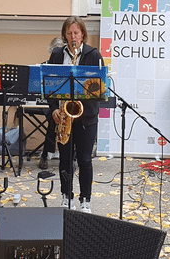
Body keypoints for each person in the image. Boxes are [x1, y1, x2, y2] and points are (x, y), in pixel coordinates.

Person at [47, 16, 103, 213]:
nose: (73, 37)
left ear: (82, 34)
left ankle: (85, 199)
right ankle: (66, 196)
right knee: (65, 159)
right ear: (64, 35)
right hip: (63, 115)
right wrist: (54, 108)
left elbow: (99, 89)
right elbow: (49, 87)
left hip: (86, 116)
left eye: (76, 33)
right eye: (69, 33)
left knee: (85, 159)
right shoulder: (56, 55)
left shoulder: (93, 55)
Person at [38, 37, 64, 170]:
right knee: (54, 119)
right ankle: (46, 154)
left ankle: (46, 154)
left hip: (64, 104)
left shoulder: (67, 66)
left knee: (56, 120)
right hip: (49, 103)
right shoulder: (44, 66)